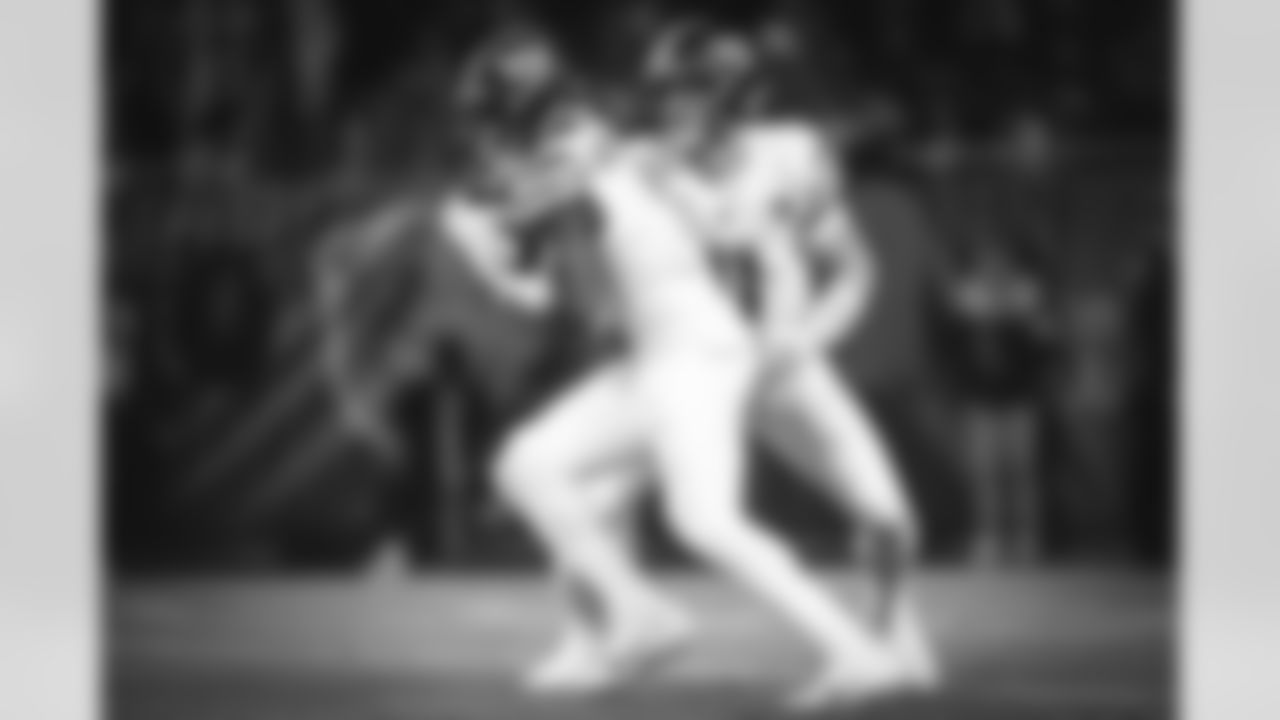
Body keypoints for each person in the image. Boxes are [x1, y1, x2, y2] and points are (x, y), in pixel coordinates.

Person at [437, 25, 902, 711]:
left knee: (703, 520)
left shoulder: (578, 146)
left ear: (520, 106)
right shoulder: (596, 145)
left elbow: (536, 230)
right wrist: (500, 245)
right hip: (665, 356)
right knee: (528, 466)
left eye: (493, 115)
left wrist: (476, 227)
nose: (488, 135)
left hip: (695, 354)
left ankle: (856, 654)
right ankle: (631, 617)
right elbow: (547, 275)